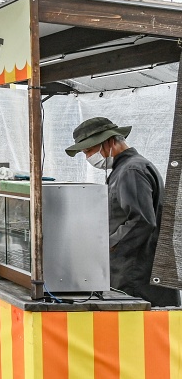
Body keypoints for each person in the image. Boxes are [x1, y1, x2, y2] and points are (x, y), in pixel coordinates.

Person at [65, 117, 180, 307]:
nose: (87, 158)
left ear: (108, 141)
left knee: (138, 331)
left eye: (89, 150)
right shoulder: (127, 168)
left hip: (137, 273)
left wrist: (105, 246)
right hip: (137, 268)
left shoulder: (131, 170)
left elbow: (141, 221)